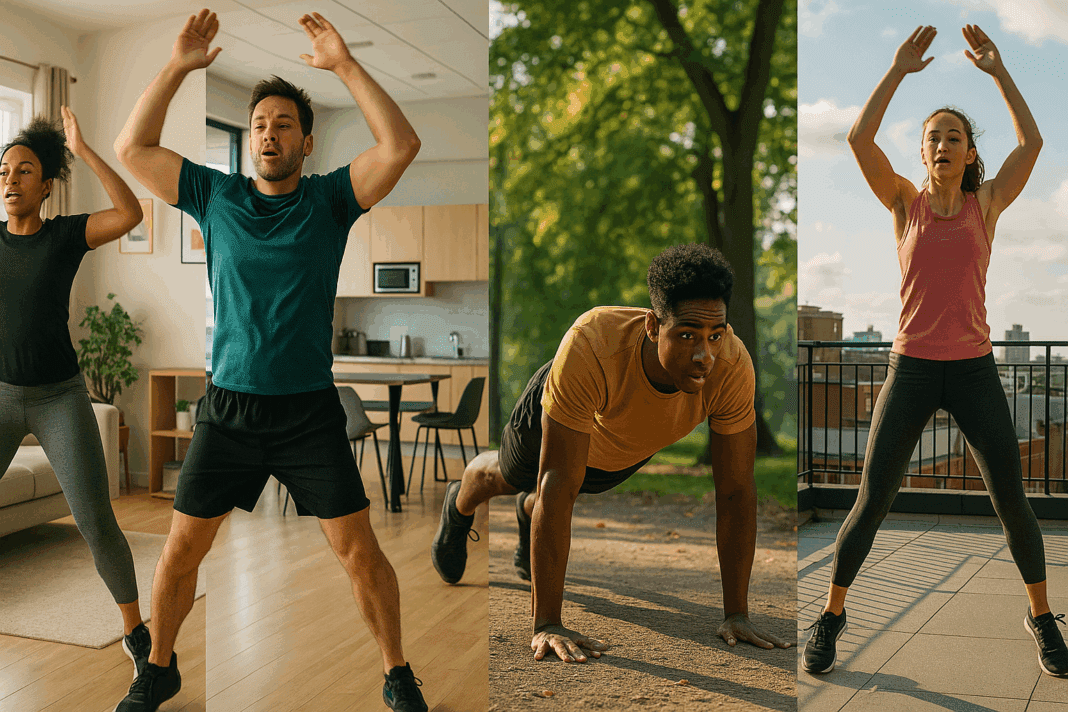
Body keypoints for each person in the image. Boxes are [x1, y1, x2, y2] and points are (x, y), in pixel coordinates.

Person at [114, 10, 426, 711]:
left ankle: (397, 671)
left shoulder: (329, 199)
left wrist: (345, 64)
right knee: (179, 552)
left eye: (283, 124)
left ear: (306, 142)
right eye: (259, 124)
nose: (267, 133)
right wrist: (177, 66)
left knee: (358, 552)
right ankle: (158, 667)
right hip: (227, 408)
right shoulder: (213, 194)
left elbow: (400, 143)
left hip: (308, 410)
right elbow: (132, 146)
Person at [802, 25, 1067, 677]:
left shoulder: (989, 202)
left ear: (970, 152)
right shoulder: (903, 201)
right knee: (872, 499)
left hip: (975, 372)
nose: (942, 143)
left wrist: (1002, 72)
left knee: (1012, 500)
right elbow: (859, 140)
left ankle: (1041, 619)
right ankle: (831, 616)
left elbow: (1033, 143)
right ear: (922, 155)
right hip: (912, 370)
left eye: (953, 135)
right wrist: (895, 70)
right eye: (933, 137)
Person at [431, 242, 791, 663]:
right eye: (688, 335)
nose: (704, 355)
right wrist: (546, 623)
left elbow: (735, 492)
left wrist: (737, 614)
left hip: (621, 447)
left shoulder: (731, 366)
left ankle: (530, 510)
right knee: (507, 478)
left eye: (715, 335)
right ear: (654, 326)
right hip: (557, 415)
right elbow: (557, 482)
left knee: (559, 493)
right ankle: (459, 503)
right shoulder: (593, 342)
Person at [0, 109, 149, 672]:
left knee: (94, 520)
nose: (11, 180)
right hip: (1, 395)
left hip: (60, 398)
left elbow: (131, 212)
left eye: (23, 171)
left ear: (46, 185)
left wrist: (85, 149)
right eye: (3, 172)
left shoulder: (64, 235)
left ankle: (137, 636)